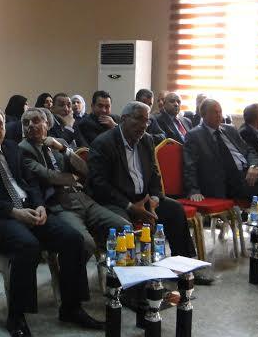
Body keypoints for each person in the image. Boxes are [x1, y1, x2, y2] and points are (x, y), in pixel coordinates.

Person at [0, 107, 101, 337]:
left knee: (73, 239)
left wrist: (40, 206)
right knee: (29, 246)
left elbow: (30, 182)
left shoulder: (12, 148)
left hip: (29, 210)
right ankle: (16, 317)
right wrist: (14, 212)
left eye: (0, 125)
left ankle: (71, 307)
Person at [86, 102, 209, 277]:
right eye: (139, 119)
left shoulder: (146, 140)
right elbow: (99, 185)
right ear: (124, 119)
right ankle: (129, 278)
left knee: (175, 209)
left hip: (145, 199)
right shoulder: (104, 143)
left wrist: (155, 200)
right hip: (116, 202)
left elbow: (154, 174)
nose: (143, 125)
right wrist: (130, 206)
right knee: (122, 224)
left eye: (147, 120)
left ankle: (184, 268)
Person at [19, 107, 127, 253]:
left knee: (125, 228)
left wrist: (63, 149)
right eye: (26, 123)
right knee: (86, 243)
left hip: (83, 198)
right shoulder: (23, 149)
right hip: (60, 203)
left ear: (47, 124)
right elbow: (48, 176)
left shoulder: (59, 142)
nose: (30, 125)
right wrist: (74, 178)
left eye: (36, 121)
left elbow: (84, 169)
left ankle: (110, 263)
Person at [184, 99, 258, 201]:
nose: (219, 115)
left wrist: (254, 166)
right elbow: (190, 165)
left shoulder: (230, 129)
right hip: (225, 179)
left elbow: (249, 150)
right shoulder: (194, 135)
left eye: (220, 111)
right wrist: (193, 190)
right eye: (215, 112)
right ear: (203, 114)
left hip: (247, 172)